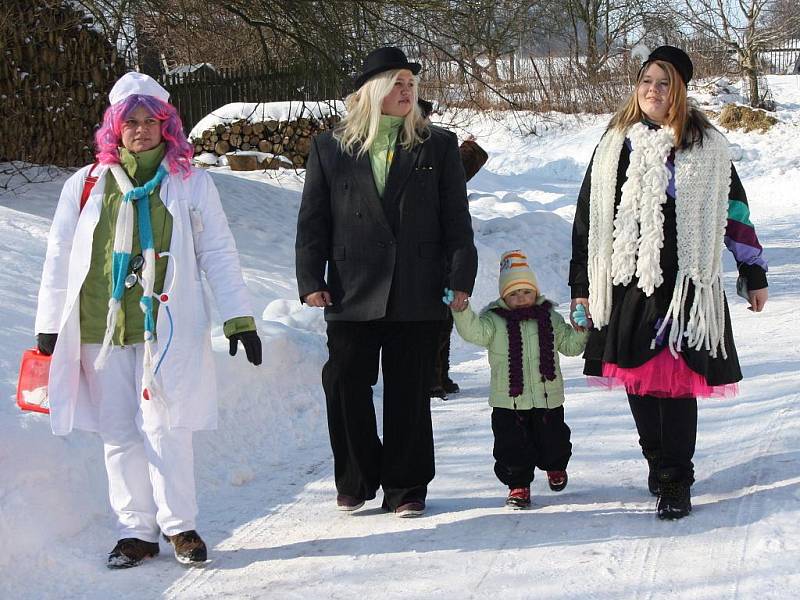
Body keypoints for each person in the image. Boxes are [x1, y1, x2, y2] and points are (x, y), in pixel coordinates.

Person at [35, 72, 262, 568]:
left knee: (166, 427)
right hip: (101, 326)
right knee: (119, 431)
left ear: (167, 126)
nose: (140, 130)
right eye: (130, 121)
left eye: (151, 120)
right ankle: (135, 532)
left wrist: (238, 318)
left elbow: (218, 251)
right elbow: (59, 256)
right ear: (114, 128)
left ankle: (180, 526)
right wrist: (50, 323)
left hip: (167, 325)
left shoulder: (190, 183)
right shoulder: (86, 185)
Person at [568, 46, 768, 520]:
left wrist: (752, 272)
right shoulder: (615, 143)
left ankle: (678, 477)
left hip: (684, 282)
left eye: (663, 83)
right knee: (637, 377)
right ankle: (656, 459)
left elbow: (734, 212)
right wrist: (582, 283)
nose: (652, 91)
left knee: (675, 383)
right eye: (645, 81)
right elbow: (588, 220)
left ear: (678, 90)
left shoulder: (706, 146)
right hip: (625, 279)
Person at [295, 47, 478, 517]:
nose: (407, 91)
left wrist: (460, 276)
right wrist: (311, 276)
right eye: (397, 84)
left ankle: (406, 486)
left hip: (416, 286)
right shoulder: (329, 146)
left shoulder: (436, 145)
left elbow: (457, 220)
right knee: (343, 381)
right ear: (372, 91)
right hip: (351, 287)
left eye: (411, 85)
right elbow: (313, 220)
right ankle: (356, 478)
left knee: (409, 391)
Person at [450, 250, 588, 508]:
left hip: (548, 398)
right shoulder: (494, 320)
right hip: (508, 401)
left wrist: (581, 331)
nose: (521, 298)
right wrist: (462, 312)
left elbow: (570, 346)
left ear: (535, 291)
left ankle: (555, 466)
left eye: (526, 291)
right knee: (511, 448)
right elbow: (474, 332)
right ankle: (518, 485)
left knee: (554, 440)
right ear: (504, 297)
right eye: (513, 294)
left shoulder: (550, 317)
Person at [417, 99, 489, 400]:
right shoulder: (421, 151)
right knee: (434, 321)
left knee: (443, 318)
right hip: (427, 253)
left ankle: (439, 376)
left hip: (445, 252)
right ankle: (432, 379)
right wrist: (470, 152)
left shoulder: (436, 147)